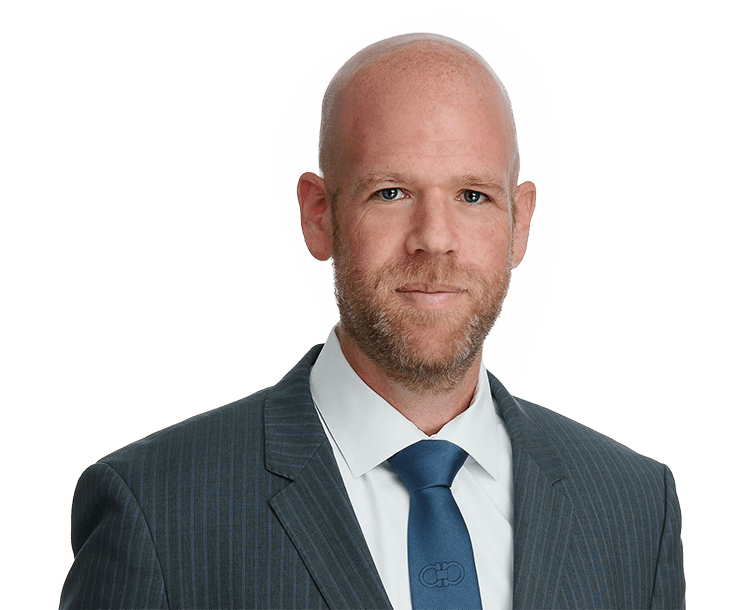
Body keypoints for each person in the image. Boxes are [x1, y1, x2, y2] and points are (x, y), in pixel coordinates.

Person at [58, 32, 685, 610]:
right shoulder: (158, 511)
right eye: (391, 193)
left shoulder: (634, 507)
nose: (434, 239)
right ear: (318, 214)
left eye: (473, 196)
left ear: (520, 222)